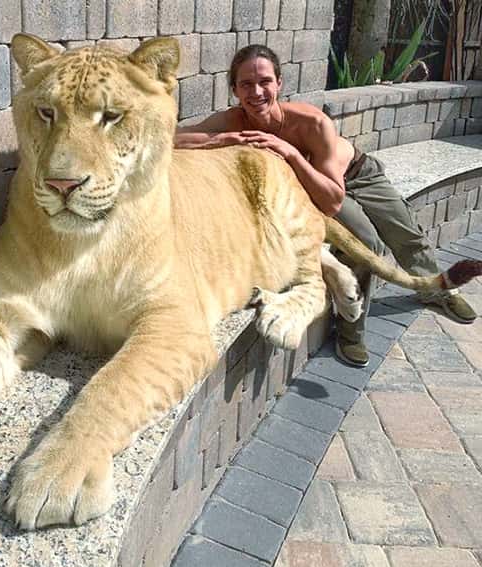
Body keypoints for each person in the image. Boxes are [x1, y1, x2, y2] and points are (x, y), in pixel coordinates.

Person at [175, 44, 477, 367]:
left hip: (353, 175)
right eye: (246, 84)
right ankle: (351, 330)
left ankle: (438, 290)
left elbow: (333, 197)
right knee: (366, 243)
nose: (257, 92)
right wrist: (221, 140)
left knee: (403, 229)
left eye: (265, 81)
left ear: (279, 83)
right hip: (309, 192)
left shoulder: (311, 123)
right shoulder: (232, 121)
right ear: (234, 89)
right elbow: (173, 137)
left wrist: (289, 153)